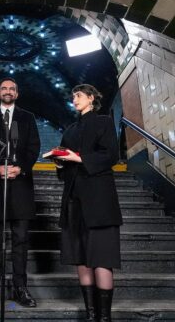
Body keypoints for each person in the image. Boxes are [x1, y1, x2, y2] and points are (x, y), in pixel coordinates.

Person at [53, 84, 121, 322]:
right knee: (80, 257)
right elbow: (64, 169)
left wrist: (79, 158)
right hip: (73, 200)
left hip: (100, 201)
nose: (74, 99)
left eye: (79, 95)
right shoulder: (70, 130)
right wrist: (60, 163)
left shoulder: (103, 122)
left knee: (102, 258)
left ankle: (105, 318)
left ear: (91, 98)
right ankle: (92, 316)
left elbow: (112, 155)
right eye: (73, 96)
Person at [0, 77, 41, 308]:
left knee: (21, 240)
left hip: (21, 185)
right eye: (4, 88)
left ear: (17, 93)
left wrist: (20, 167)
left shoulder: (28, 117)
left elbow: (34, 147)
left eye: (12, 88)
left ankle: (21, 288)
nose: (8, 91)